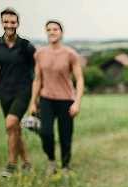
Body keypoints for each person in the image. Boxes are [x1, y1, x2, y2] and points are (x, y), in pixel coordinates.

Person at [0, 7, 35, 177]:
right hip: (4, 92)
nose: (9, 25)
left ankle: (11, 165)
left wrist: (37, 97)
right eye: (6, 22)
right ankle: (27, 162)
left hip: (23, 91)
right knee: (15, 129)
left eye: (13, 22)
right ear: (2, 23)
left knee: (11, 124)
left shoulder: (26, 46)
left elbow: (38, 71)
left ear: (18, 23)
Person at [28, 20, 84, 174]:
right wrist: (33, 102)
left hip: (66, 100)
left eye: (55, 29)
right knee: (46, 132)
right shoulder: (40, 53)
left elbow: (79, 79)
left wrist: (77, 103)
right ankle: (51, 161)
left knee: (65, 135)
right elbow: (37, 79)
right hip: (46, 99)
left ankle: (65, 166)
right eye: (49, 29)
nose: (52, 32)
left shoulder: (70, 54)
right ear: (46, 32)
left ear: (61, 32)